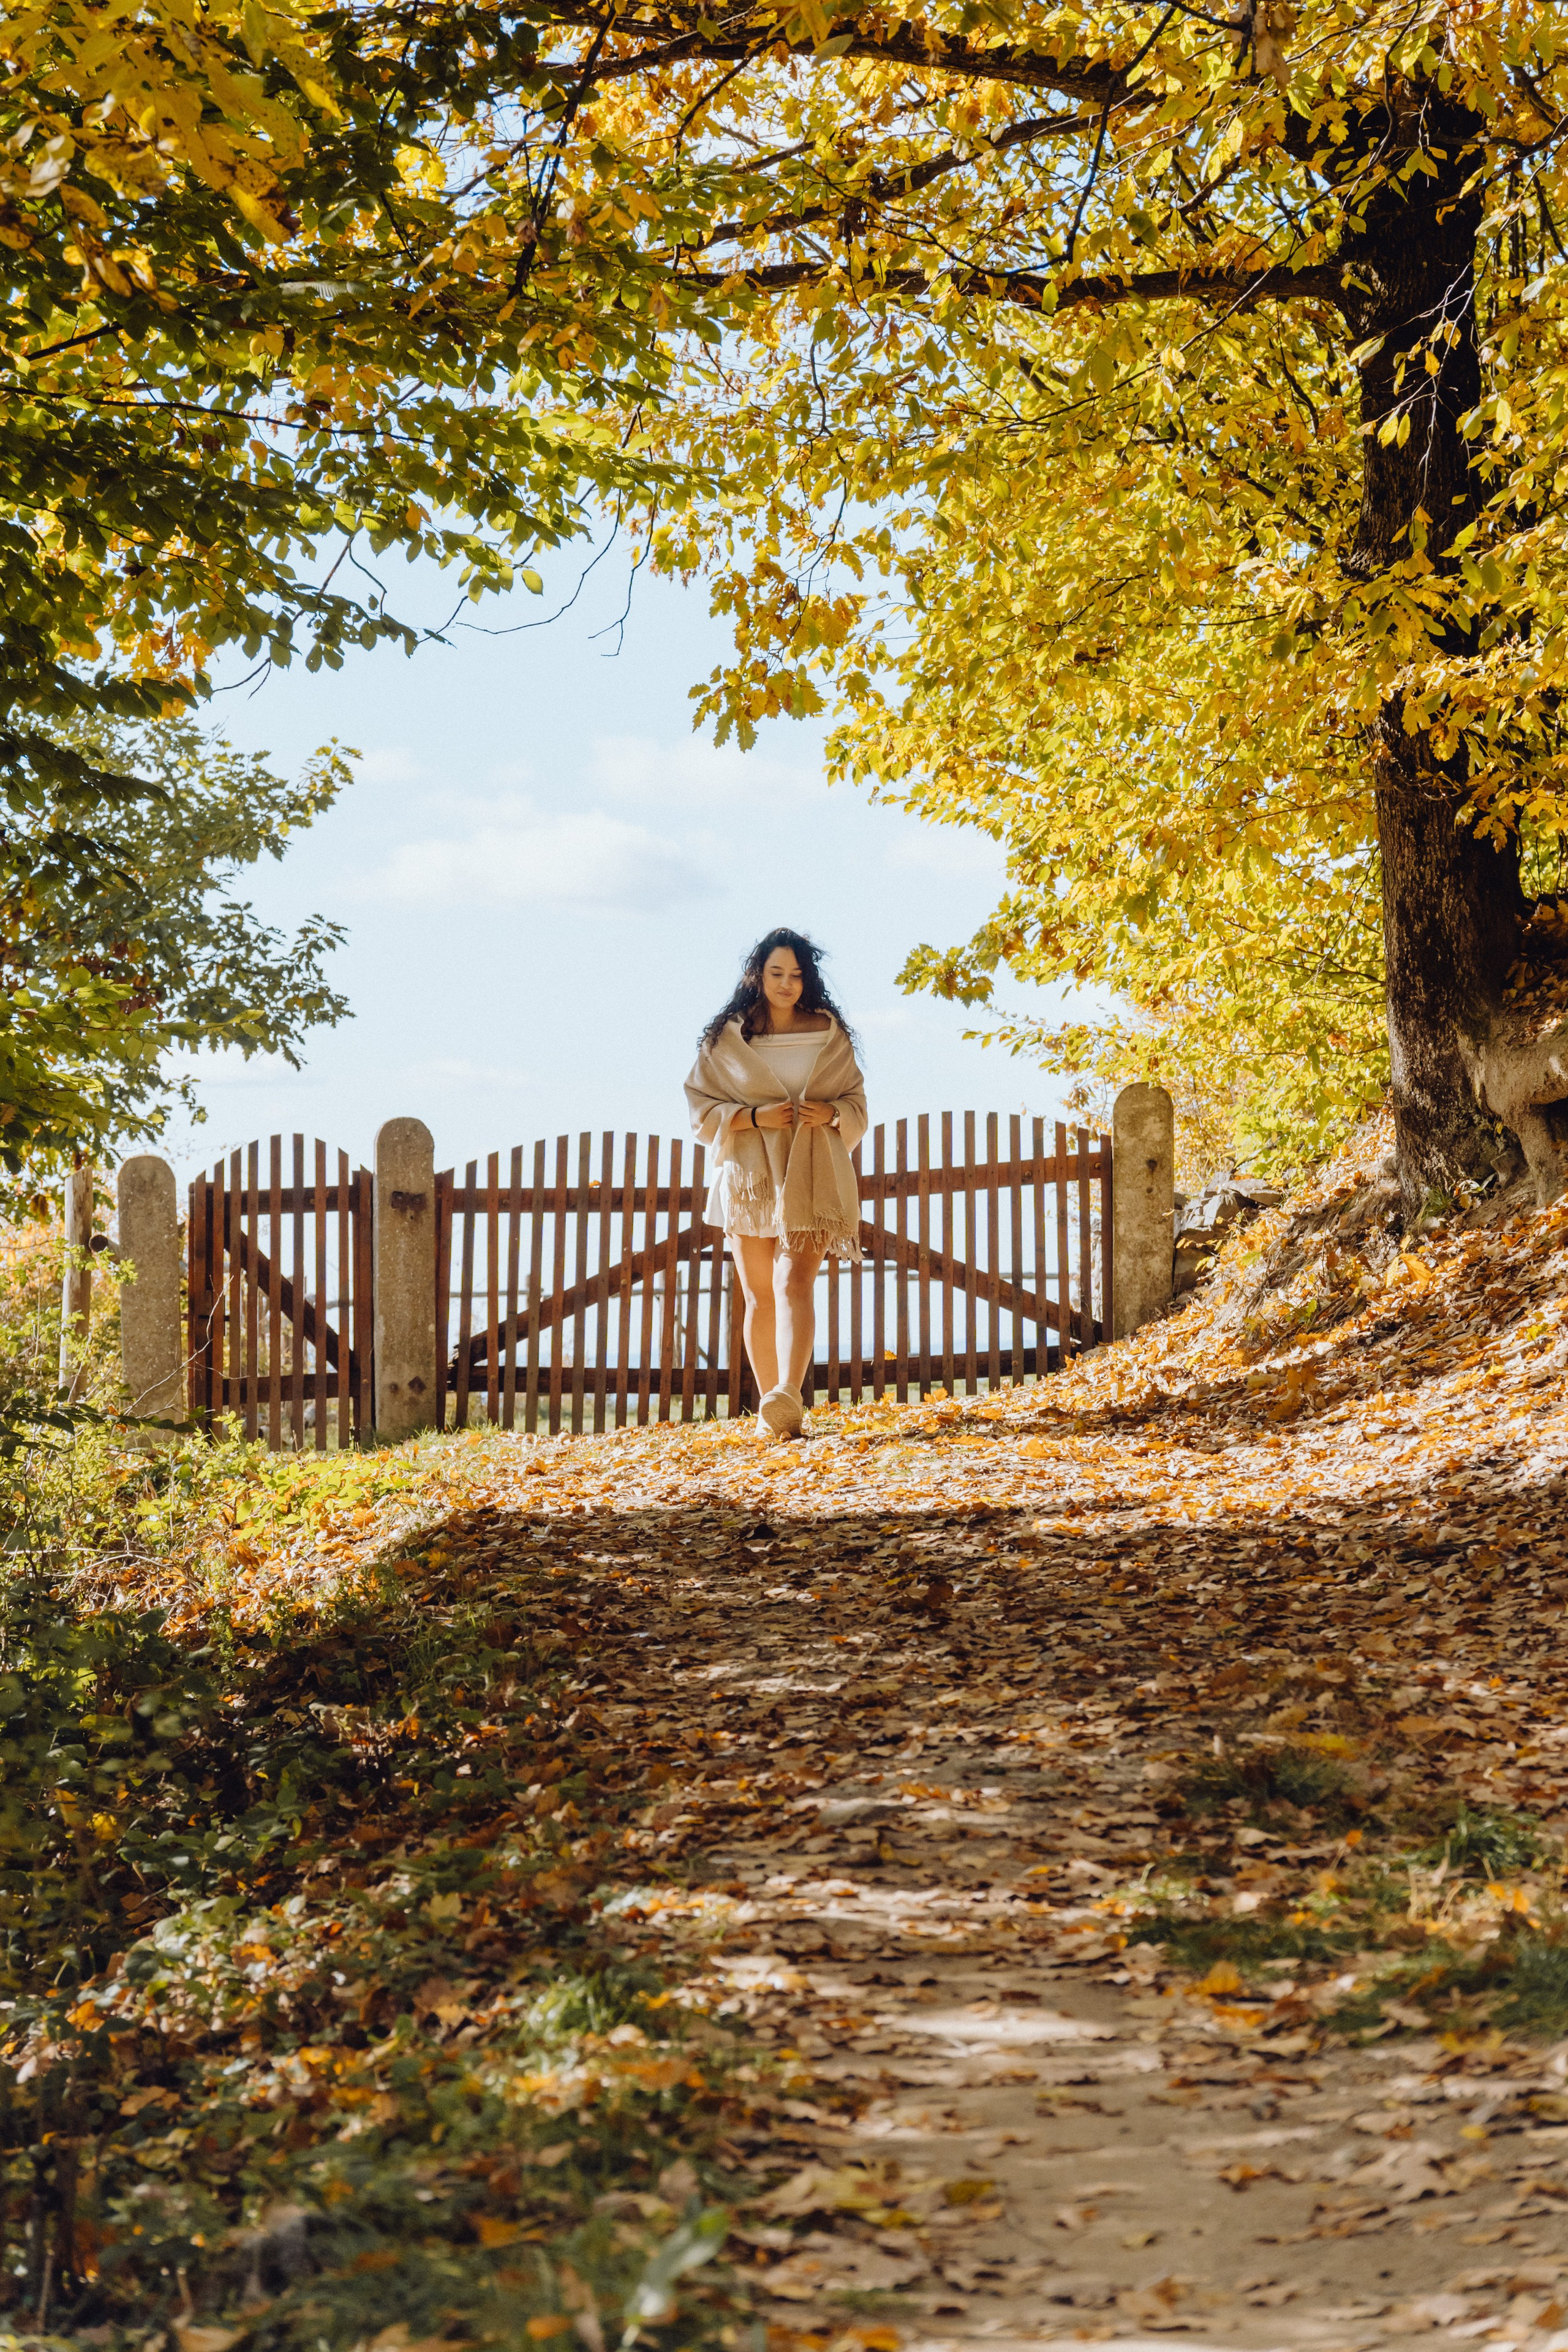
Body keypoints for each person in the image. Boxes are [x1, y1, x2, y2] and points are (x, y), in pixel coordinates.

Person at [685, 929, 867, 1439]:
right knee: (759, 1294)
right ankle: (774, 1409)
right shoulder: (729, 1039)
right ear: (758, 976)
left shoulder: (829, 1035)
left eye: (796, 974)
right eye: (776, 974)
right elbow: (700, 1108)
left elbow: (857, 1103)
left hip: (812, 1171)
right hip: (747, 1177)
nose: (787, 984)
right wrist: (752, 1117)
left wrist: (832, 1112)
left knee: (795, 1283)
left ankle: (789, 1392)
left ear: (807, 979)